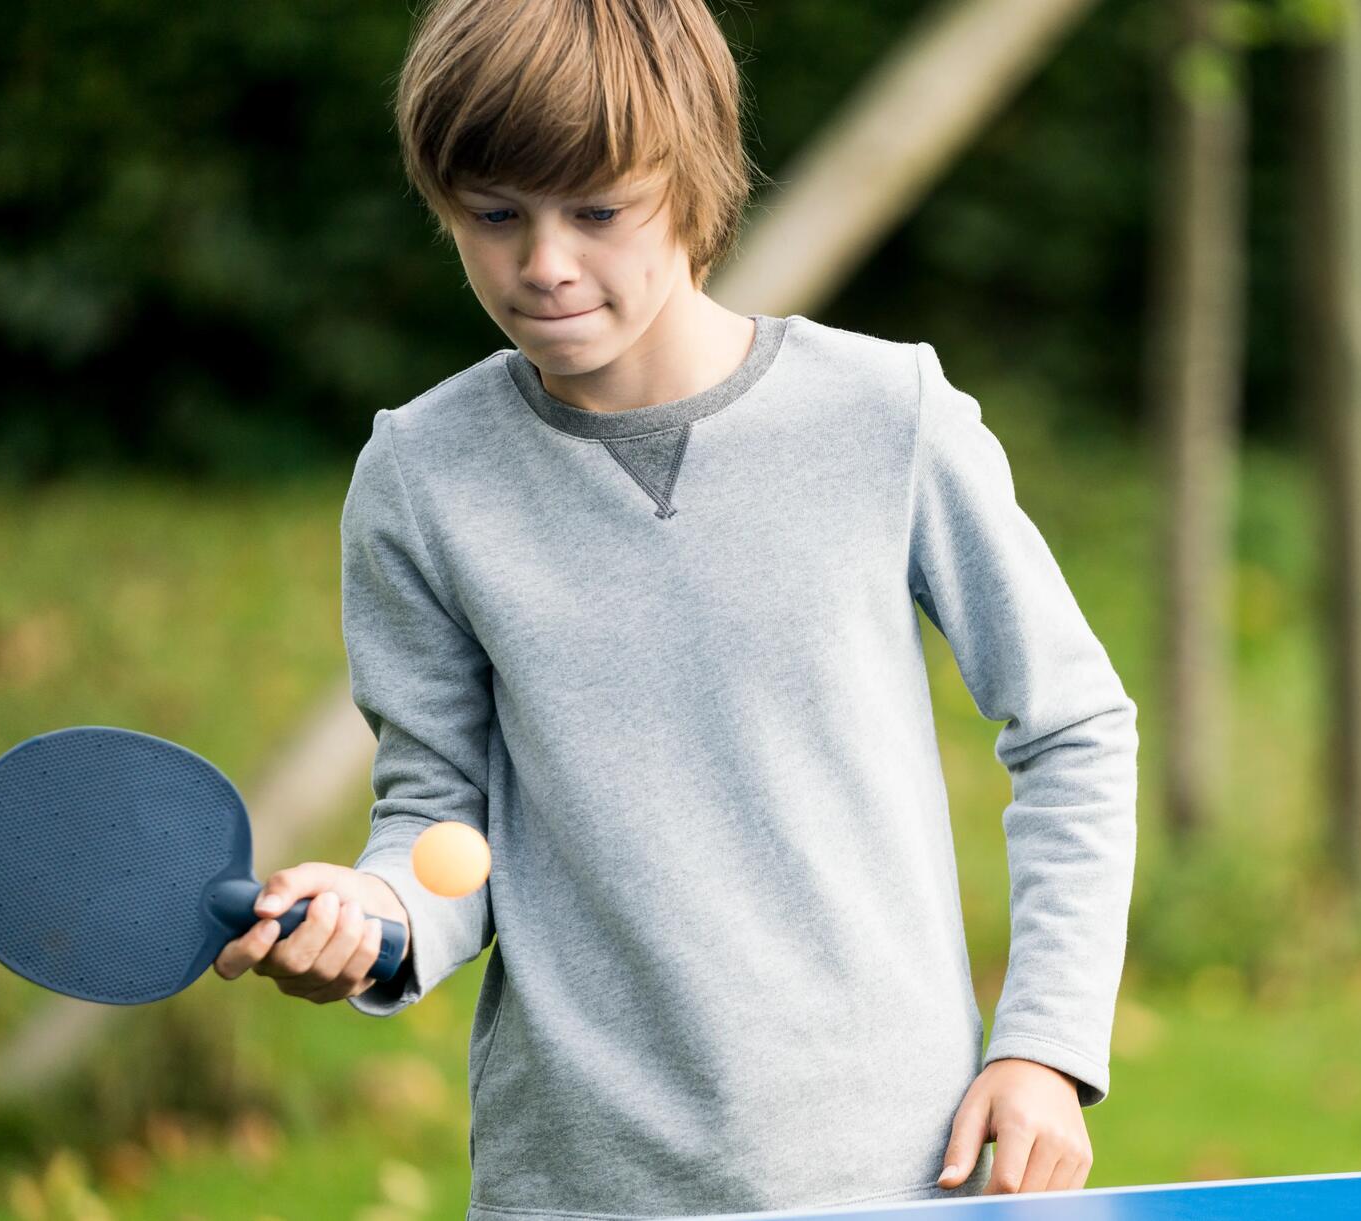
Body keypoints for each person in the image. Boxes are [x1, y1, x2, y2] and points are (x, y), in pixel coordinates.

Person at [212, 1, 1138, 1217]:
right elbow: (443, 821)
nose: (544, 262)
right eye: (496, 214)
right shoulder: (419, 475)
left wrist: (1045, 1047)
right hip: (576, 1180)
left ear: (692, 187)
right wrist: (373, 917)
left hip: (897, 1166)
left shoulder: (887, 413)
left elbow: (1073, 730)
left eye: (597, 212)